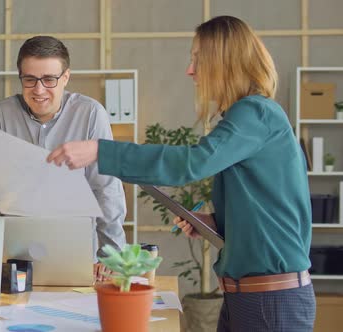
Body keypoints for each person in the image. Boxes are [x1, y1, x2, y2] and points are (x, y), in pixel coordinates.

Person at [47, 16, 315, 331]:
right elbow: (266, 211)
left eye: (198, 59)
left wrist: (100, 151)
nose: (190, 70)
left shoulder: (256, 112)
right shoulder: (253, 118)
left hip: (269, 302)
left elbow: (192, 163)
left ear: (224, 62)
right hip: (248, 297)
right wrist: (213, 223)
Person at [0, 35, 127, 278]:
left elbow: (106, 189)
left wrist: (112, 256)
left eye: (49, 79)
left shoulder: (91, 114)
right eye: (30, 79)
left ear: (66, 77)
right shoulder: (1, 114)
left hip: (75, 248)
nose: (39, 90)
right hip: (14, 252)